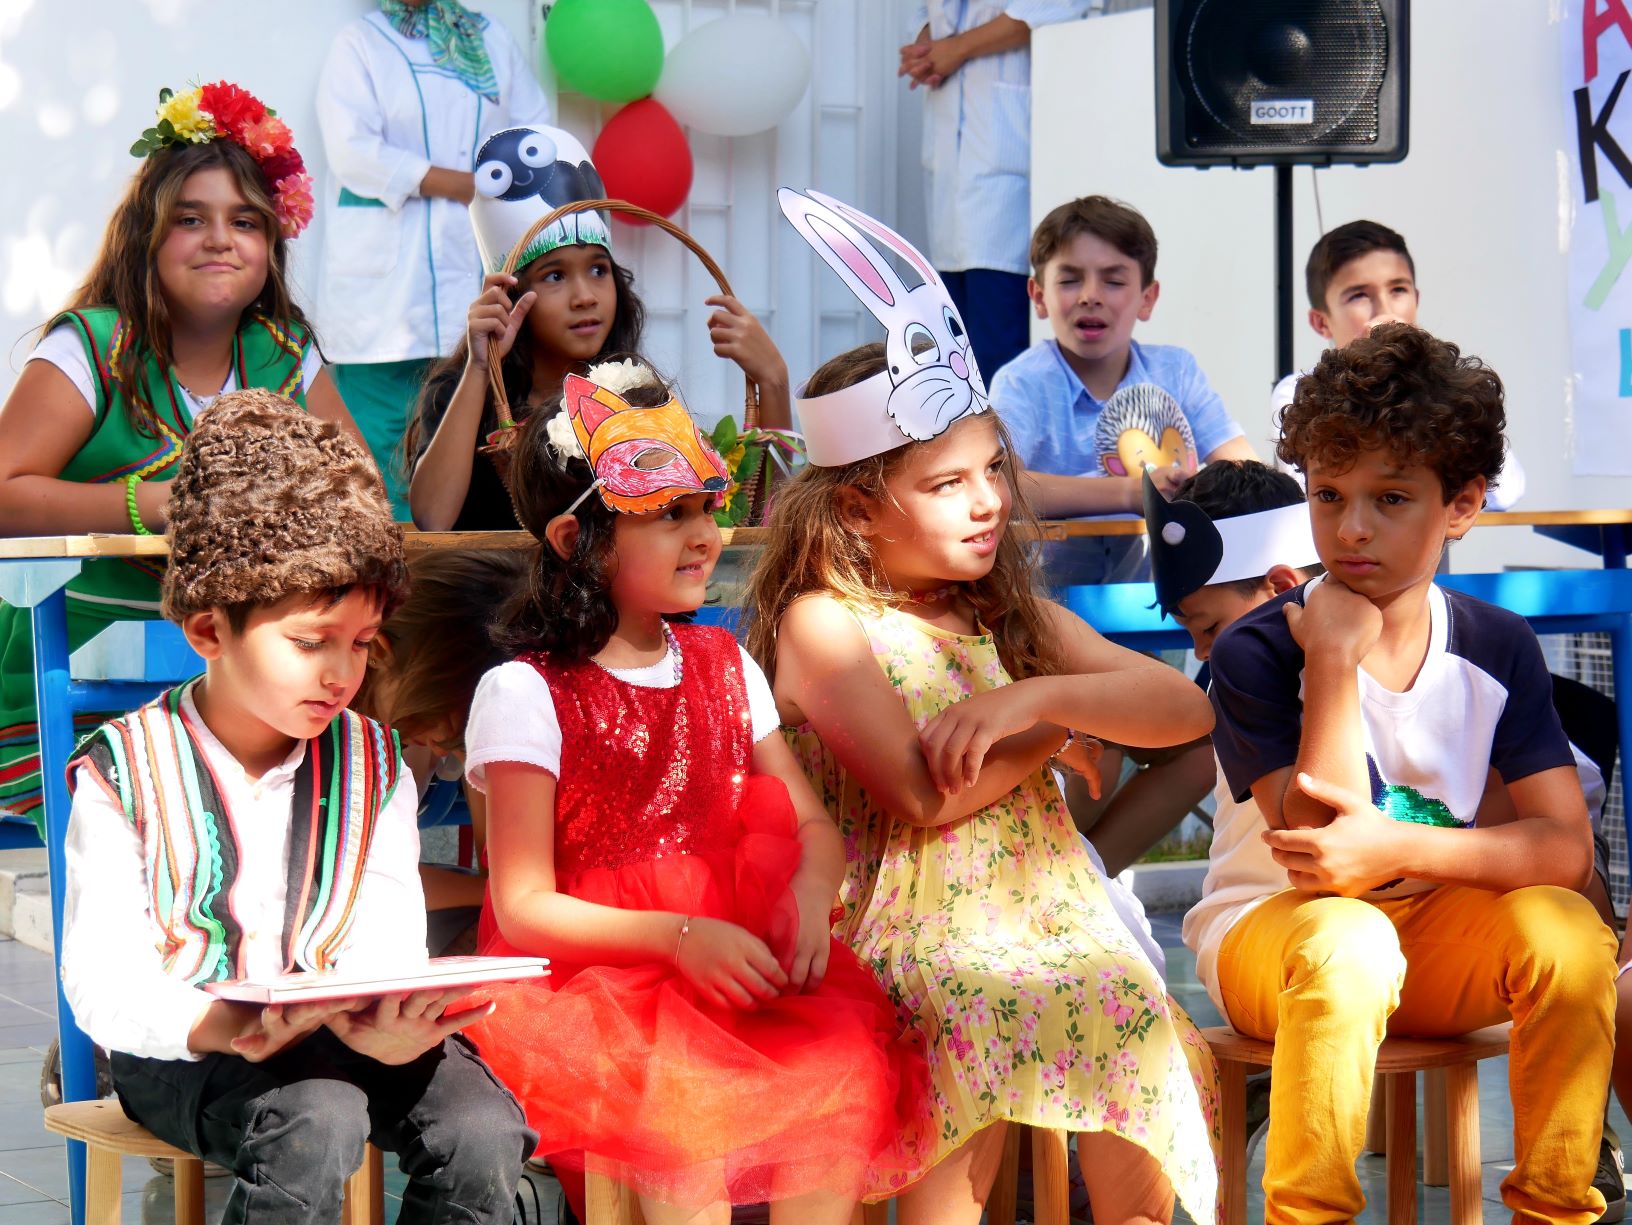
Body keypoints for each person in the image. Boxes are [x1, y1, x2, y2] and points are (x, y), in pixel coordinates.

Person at [741, 189, 1221, 1225]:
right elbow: (921, 797)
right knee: (977, 1019)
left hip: (1047, 915)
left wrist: (1038, 696)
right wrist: (1056, 730)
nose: (989, 502)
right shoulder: (827, 622)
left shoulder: (1003, 614)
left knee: (1137, 1018)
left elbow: (1183, 711)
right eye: (947, 483)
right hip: (899, 924)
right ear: (860, 510)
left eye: (993, 471)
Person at [458, 357, 926, 1223]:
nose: (705, 534)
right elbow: (522, 903)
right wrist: (676, 937)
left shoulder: (722, 662)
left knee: (839, 1073)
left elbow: (813, 825)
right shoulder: (528, 691)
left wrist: (811, 894)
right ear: (575, 541)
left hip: (736, 965)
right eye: (668, 515)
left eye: (708, 507)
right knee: (683, 1122)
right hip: (603, 984)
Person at [58, 389, 535, 1225]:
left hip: (340, 1025)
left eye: (361, 644)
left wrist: (390, 1022)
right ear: (210, 630)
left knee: (481, 1127)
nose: (340, 675)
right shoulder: (125, 768)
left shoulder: (373, 761)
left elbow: (383, 931)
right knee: (316, 1118)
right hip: (185, 1039)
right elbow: (103, 981)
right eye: (310, 642)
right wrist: (220, 1017)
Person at [1206, 322, 1617, 1222]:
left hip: (1427, 938)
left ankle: (1557, 1208)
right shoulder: (1256, 651)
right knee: (1350, 942)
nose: (1351, 529)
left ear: (1462, 505)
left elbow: (1562, 845)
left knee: (1568, 933)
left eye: (1391, 498)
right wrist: (1331, 663)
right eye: (1328, 495)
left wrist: (1397, 843)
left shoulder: (1495, 643)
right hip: (1272, 940)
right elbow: (1319, 859)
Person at [0, 81, 360, 831]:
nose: (220, 239)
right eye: (190, 219)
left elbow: (358, 492)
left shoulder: (285, 354)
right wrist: (158, 501)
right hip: (73, 658)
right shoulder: (94, 346)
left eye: (245, 221)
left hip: (235, 672)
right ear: (147, 237)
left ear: (273, 241)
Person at [406, 123, 790, 531]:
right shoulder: (461, 392)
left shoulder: (635, 395)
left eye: (598, 270)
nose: (585, 296)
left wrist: (774, 381)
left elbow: (768, 518)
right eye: (554, 276)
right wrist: (480, 370)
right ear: (510, 296)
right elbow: (432, 519)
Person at [315, 0, 554, 517]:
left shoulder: (490, 42)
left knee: (457, 448)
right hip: (383, 298)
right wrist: (469, 186)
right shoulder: (362, 43)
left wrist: (498, 191)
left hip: (471, 277)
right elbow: (353, 152)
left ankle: (435, 582)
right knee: (367, 472)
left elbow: (536, 141)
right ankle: (384, 586)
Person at [899, 1, 1101, 378]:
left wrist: (956, 49)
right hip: (952, 160)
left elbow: (1054, 8)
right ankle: (966, 437)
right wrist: (927, 49)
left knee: (999, 345)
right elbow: (921, 16)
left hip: (1007, 165)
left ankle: (1001, 438)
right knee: (954, 347)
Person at [1270, 219, 1526, 508]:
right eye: (1359, 296)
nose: (1385, 310)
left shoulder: (1442, 388)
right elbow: (1305, 493)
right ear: (1321, 321)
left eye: (1398, 290)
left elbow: (1505, 492)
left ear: (1416, 299)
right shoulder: (1300, 392)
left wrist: (1424, 367)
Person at [353, 548, 530, 952]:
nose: (452, 737)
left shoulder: (441, 723)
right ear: (380, 653)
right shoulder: (332, 731)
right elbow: (348, 888)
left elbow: (498, 865)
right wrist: (515, 900)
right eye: (455, 713)